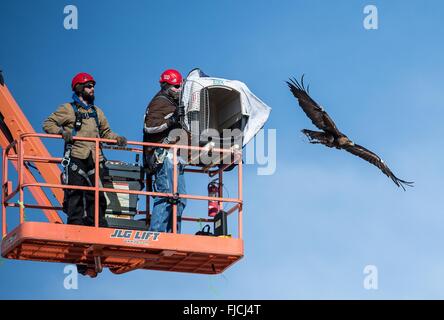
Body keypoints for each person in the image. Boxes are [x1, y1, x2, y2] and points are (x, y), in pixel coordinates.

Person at [143, 69, 187, 233]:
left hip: (176, 157)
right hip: (164, 156)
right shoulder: (159, 102)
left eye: (180, 86)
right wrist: (172, 120)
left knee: (180, 200)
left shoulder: (173, 104)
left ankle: (173, 235)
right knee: (167, 196)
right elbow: (149, 127)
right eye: (176, 86)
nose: (179, 89)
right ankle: (157, 235)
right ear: (166, 85)